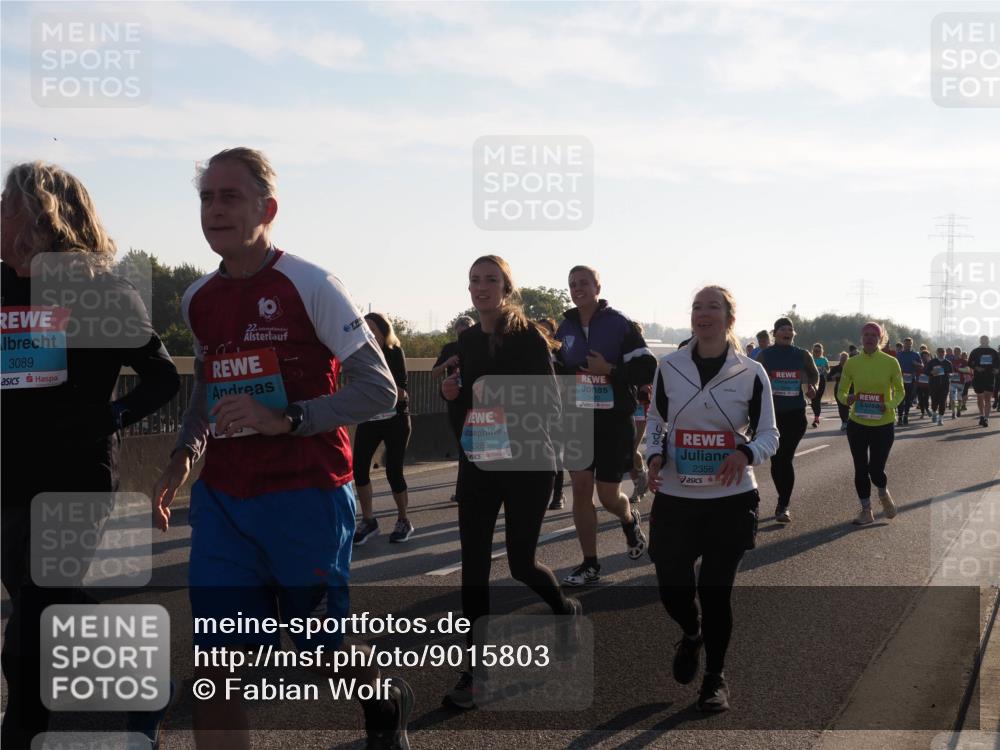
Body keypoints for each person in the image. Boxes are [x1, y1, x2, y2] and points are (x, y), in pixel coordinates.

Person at [151, 148, 412, 750]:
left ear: (267, 208)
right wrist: (183, 458)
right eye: (206, 198)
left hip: (306, 497)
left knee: (323, 651)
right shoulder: (197, 299)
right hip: (225, 503)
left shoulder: (312, 284)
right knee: (215, 673)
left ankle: (385, 697)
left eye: (230, 196)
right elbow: (207, 391)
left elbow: (380, 390)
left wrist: (289, 418)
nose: (214, 209)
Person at [1, 161, 180, 748]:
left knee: (25, 637)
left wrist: (110, 416)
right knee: (40, 608)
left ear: (41, 219)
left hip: (73, 480)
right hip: (9, 476)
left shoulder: (104, 291)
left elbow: (160, 378)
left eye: (7, 206)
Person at [440, 255, 582, 708]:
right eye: (474, 281)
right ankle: (476, 672)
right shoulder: (465, 343)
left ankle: (564, 610)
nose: (481, 288)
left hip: (528, 463)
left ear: (506, 288)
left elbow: (550, 408)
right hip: (480, 463)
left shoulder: (528, 339)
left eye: (491, 280)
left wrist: (499, 403)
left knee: (521, 564)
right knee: (474, 568)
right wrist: (453, 397)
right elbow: (462, 416)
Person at [645, 285, 778, 713]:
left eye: (713, 308)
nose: (703, 314)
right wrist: (652, 454)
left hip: (731, 499)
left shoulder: (751, 373)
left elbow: (769, 435)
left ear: (729, 319)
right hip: (676, 496)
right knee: (672, 589)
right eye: (697, 308)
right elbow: (655, 421)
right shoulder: (669, 366)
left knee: (715, 590)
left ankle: (715, 677)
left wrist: (745, 452)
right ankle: (691, 632)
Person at [554, 265, 656, 586]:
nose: (577, 288)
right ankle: (590, 564)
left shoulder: (619, 324)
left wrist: (609, 369)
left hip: (613, 421)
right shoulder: (564, 328)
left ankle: (629, 519)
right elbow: (554, 368)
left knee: (609, 497)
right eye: (572, 284)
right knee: (581, 490)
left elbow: (646, 368)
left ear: (598, 286)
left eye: (583, 282)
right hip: (576, 420)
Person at [353, 312, 414, 544]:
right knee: (358, 469)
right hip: (369, 419)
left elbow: (401, 392)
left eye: (373, 329)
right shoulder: (359, 355)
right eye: (364, 329)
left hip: (395, 420)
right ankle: (369, 521)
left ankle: (403, 520)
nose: (368, 334)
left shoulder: (393, 351)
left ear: (383, 331)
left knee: (393, 472)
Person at [836, 322, 904, 525]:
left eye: (874, 335)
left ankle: (883, 493)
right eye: (866, 334)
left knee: (876, 469)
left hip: (883, 424)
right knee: (860, 468)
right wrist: (846, 399)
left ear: (880, 338)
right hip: (858, 423)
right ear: (861, 337)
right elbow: (841, 390)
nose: (869, 338)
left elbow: (900, 391)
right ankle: (866, 510)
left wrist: (889, 404)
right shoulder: (852, 363)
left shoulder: (891, 362)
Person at [757, 318, 819, 524]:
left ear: (794, 334)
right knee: (777, 460)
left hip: (795, 414)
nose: (787, 332)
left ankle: (784, 504)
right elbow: (757, 382)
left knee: (786, 457)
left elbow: (814, 375)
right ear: (774, 333)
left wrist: (813, 387)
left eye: (790, 329)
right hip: (773, 416)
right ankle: (782, 501)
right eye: (782, 329)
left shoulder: (802, 354)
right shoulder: (765, 356)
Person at [435, 315, 475, 503]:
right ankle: (463, 490)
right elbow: (434, 372)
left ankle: (472, 489)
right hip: (455, 403)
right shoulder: (449, 348)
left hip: (476, 402)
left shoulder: (481, 345)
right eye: (460, 333)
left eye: (467, 332)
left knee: (475, 447)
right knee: (463, 446)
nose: (463, 337)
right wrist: (446, 363)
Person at [535, 316, 567, 509]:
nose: (543, 333)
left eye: (547, 330)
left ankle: (558, 494)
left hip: (558, 409)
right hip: (535, 411)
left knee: (556, 453)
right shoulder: (530, 354)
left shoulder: (561, 355)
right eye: (539, 330)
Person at [967, 335, 998, 427]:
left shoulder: (993, 352)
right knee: (980, 397)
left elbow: (998, 363)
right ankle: (981, 415)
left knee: (987, 399)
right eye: (982, 340)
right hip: (978, 377)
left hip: (989, 377)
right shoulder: (975, 351)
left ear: (988, 341)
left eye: (986, 340)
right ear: (980, 341)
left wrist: (997, 370)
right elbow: (969, 363)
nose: (984, 341)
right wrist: (976, 367)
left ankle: (986, 418)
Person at [895, 337, 922, 425]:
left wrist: (916, 364)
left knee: (908, 398)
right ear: (904, 344)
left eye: (909, 344)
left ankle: (906, 415)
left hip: (911, 379)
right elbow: (894, 366)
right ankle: (899, 417)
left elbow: (922, 365)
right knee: (900, 398)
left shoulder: (915, 355)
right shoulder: (899, 354)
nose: (908, 346)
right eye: (906, 344)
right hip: (900, 378)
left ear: (912, 345)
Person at [926, 347, 953, 425]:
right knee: (934, 401)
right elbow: (926, 371)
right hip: (933, 385)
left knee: (942, 402)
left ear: (945, 353)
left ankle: (940, 419)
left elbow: (951, 373)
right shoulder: (932, 362)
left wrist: (950, 375)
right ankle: (934, 413)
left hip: (944, 385)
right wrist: (932, 372)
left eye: (942, 352)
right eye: (939, 352)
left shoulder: (948, 363)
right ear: (936, 353)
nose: (941, 353)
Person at [827, 351, 851, 430]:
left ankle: (849, 421)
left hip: (850, 389)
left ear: (848, 359)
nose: (843, 360)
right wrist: (834, 376)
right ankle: (844, 422)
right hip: (838, 389)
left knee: (847, 406)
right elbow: (828, 378)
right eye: (842, 359)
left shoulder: (851, 368)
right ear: (839, 359)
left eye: (845, 359)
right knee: (841, 406)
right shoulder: (836, 368)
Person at [810, 342, 829, 427]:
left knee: (817, 399)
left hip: (821, 380)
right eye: (815, 351)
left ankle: (816, 418)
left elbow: (828, 370)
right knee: (813, 400)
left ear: (821, 351)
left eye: (818, 351)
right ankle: (816, 416)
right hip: (812, 380)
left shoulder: (824, 360)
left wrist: (825, 370)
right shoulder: (810, 359)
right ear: (813, 351)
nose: (816, 352)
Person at [915, 350, 932, 419]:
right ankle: (922, 412)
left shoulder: (931, 364)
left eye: (926, 356)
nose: (925, 358)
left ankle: (927, 409)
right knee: (920, 399)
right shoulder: (919, 364)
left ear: (928, 356)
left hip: (927, 385)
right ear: (921, 357)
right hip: (919, 385)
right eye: (923, 356)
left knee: (926, 398)